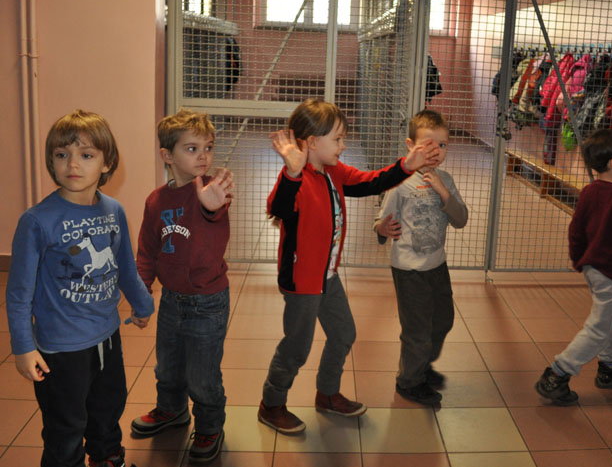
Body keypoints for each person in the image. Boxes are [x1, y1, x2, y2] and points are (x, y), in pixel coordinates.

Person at [257, 99, 439, 434]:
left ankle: (327, 394)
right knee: (296, 348)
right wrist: (292, 173)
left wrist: (407, 165)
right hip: (302, 282)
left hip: (327, 276)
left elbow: (371, 182)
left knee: (343, 334)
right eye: (338, 139)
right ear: (313, 142)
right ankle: (272, 404)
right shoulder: (297, 180)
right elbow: (278, 207)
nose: (343, 145)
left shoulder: (333, 172)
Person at [6, 110, 154, 467]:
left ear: (107, 163)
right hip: (60, 348)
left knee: (108, 409)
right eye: (62, 154)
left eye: (86, 155)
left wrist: (143, 304)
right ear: (51, 161)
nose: (72, 164)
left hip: (107, 337)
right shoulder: (37, 221)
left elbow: (124, 266)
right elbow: (19, 293)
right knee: (66, 428)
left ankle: (107, 459)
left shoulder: (113, 210)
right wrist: (23, 347)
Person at [130, 109, 234, 463]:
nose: (203, 156)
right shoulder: (156, 201)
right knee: (168, 367)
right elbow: (147, 251)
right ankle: (171, 410)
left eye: (208, 147)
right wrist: (142, 294)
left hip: (208, 301)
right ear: (167, 155)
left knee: (203, 375)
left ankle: (209, 426)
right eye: (192, 149)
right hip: (172, 300)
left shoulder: (212, 192)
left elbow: (216, 218)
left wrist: (211, 208)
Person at [535, 128, 612, 405]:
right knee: (598, 327)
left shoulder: (590, 192)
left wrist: (577, 257)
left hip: (594, 268)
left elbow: (576, 229)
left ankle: (611, 368)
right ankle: (557, 374)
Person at [374, 109, 468, 405]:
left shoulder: (446, 180)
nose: (436, 151)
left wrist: (444, 193)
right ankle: (409, 381)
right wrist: (382, 228)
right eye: (428, 145)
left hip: (436, 265)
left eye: (442, 145)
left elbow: (461, 219)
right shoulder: (399, 182)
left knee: (443, 320)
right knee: (417, 329)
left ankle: (422, 364)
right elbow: (381, 220)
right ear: (410, 146)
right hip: (408, 269)